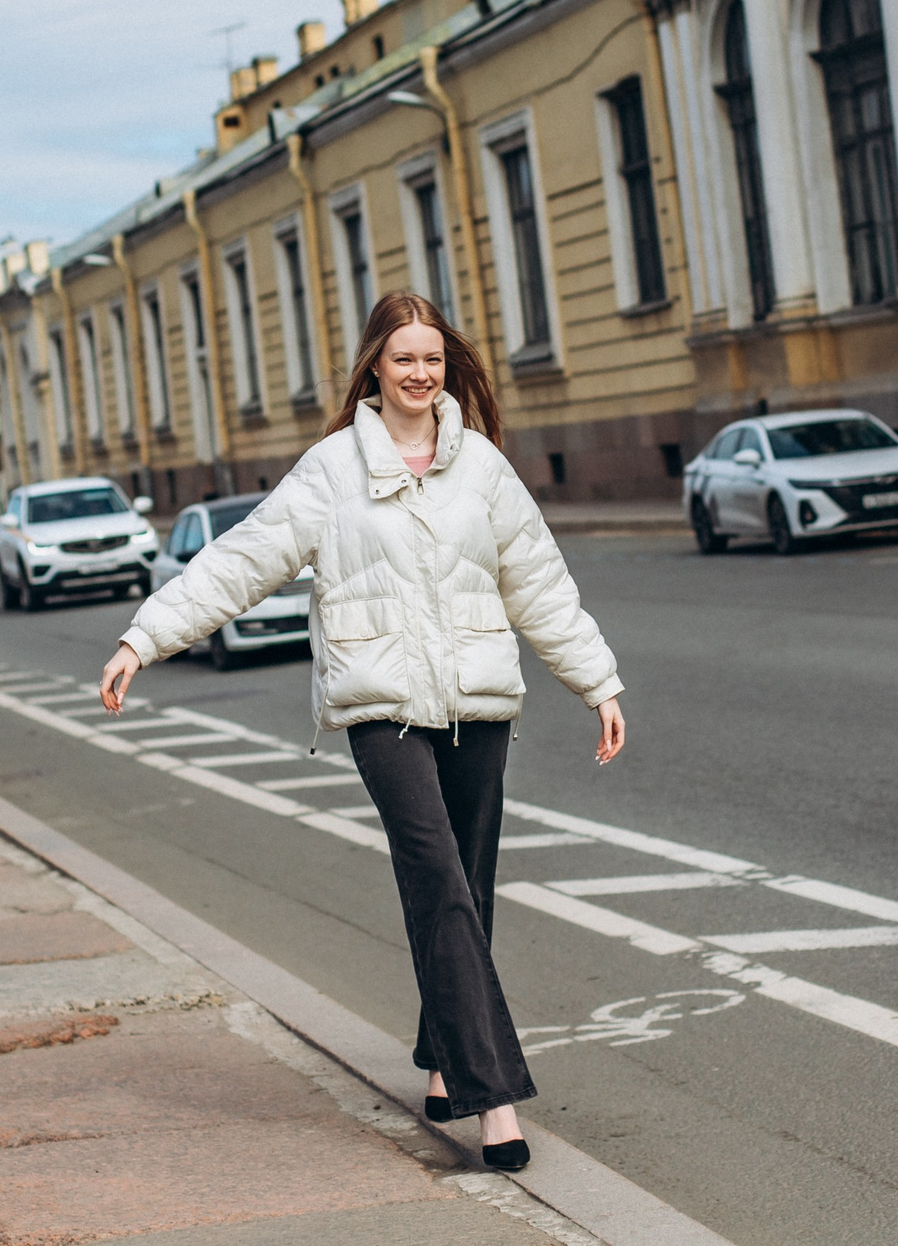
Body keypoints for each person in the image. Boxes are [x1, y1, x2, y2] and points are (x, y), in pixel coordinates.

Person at [101, 292, 625, 1173]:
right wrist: (143, 636)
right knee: (437, 878)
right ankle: (490, 1099)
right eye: (402, 358)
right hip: (381, 708)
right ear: (374, 367)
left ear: (445, 364)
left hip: (479, 702)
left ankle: (439, 1062)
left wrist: (598, 681)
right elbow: (242, 558)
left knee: (468, 887)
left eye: (432, 358)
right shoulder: (331, 471)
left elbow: (539, 583)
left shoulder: (484, 469)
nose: (420, 373)